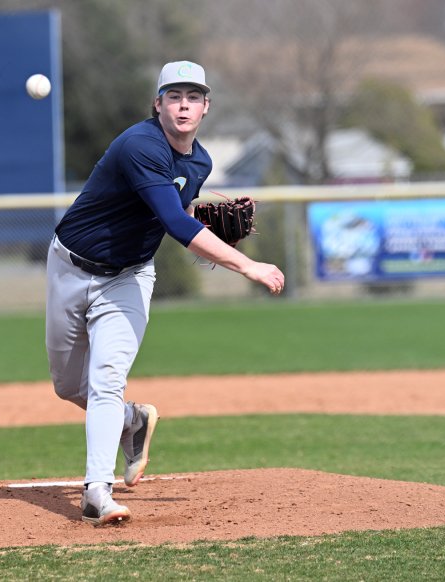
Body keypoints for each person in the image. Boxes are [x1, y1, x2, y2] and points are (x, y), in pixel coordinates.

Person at [45, 61, 284, 526]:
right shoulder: (140, 145)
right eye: (174, 96)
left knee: (106, 380)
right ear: (158, 104)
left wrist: (201, 219)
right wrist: (247, 265)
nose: (183, 105)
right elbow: (176, 223)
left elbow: (177, 208)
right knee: (68, 386)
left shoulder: (201, 162)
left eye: (193, 97)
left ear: (206, 107)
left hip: (128, 277)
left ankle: (97, 491)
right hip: (69, 266)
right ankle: (133, 422)